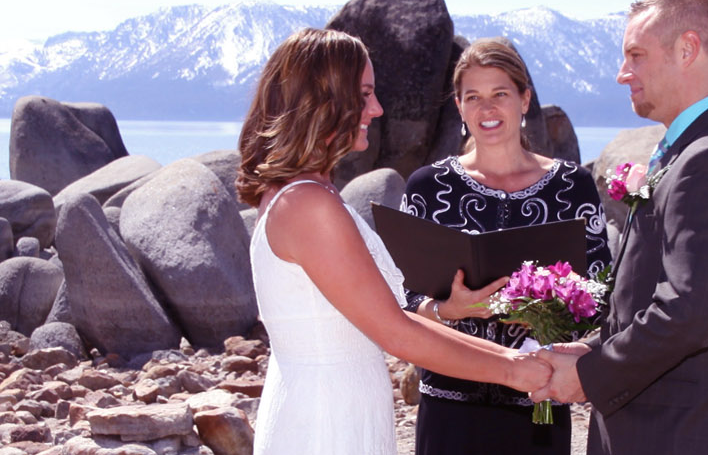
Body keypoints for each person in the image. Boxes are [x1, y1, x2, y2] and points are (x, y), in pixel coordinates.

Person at [237, 28, 552, 455]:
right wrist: (515, 371)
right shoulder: (308, 205)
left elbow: (381, 315)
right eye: (364, 94)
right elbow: (396, 334)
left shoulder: (305, 192)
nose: (377, 108)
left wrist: (448, 313)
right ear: (323, 101)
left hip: (334, 404)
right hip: (326, 421)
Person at [531, 0, 708, 454]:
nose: (622, 73)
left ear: (687, 49)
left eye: (636, 56)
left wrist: (588, 377)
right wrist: (591, 348)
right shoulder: (694, 150)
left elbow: (686, 314)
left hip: (689, 434)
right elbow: (651, 296)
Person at [398, 38, 612, 455]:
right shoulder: (427, 187)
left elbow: (601, 293)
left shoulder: (572, 187)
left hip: (538, 405)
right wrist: (448, 309)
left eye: (500, 94)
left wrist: (553, 317)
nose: (487, 109)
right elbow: (402, 303)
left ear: (524, 99)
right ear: (459, 108)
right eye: (473, 97)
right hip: (448, 409)